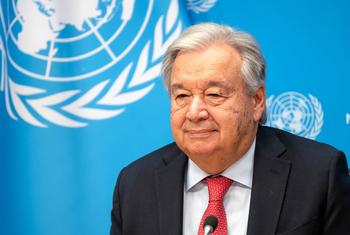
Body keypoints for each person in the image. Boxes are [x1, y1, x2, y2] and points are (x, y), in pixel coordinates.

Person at [110, 23, 350, 235]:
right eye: (181, 95)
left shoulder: (319, 175)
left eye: (214, 95)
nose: (194, 113)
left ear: (256, 101)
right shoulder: (135, 184)